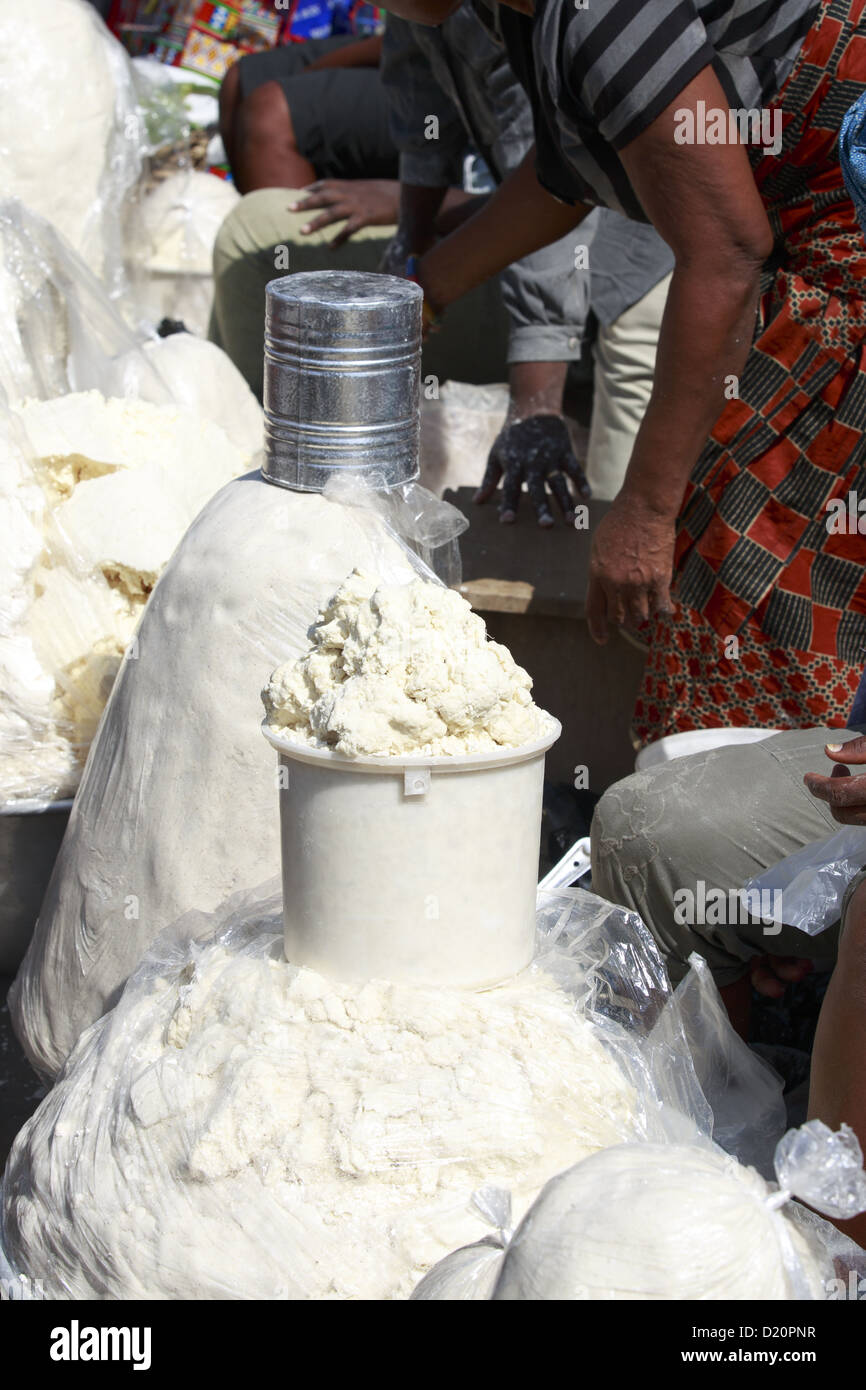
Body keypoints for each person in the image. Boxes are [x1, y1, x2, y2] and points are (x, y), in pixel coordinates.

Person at [378, 0, 866, 740]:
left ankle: (791, 830)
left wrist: (644, 511)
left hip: (838, 260)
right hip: (784, 243)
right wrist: (423, 292)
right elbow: (563, 178)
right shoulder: (523, 14)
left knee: (751, 573)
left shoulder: (599, 10)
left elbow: (727, 253)